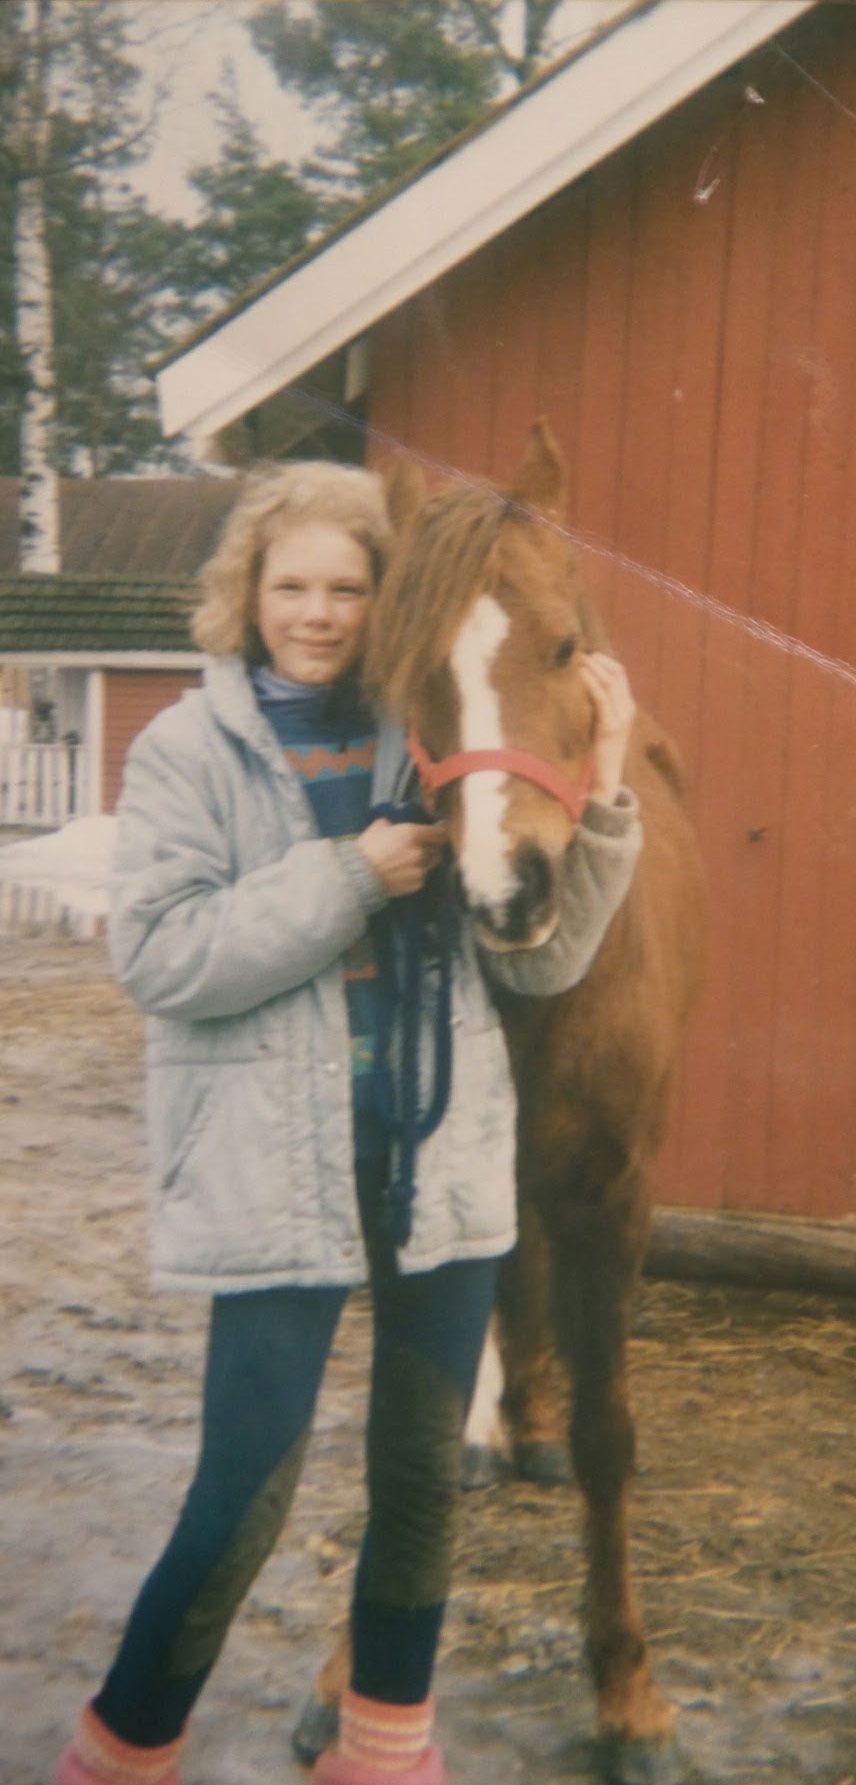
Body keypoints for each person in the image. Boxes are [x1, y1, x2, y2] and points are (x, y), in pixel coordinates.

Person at [54, 459, 642, 1785]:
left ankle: (384, 1751)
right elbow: (161, 956)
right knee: (244, 1487)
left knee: (421, 1479)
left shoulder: (420, 737)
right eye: (292, 587)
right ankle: (124, 1748)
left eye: (346, 590)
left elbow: (539, 963)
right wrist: (351, 876)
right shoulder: (188, 752)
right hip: (274, 1168)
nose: (318, 614)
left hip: (434, 1160)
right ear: (247, 593)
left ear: (388, 605)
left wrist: (602, 794)